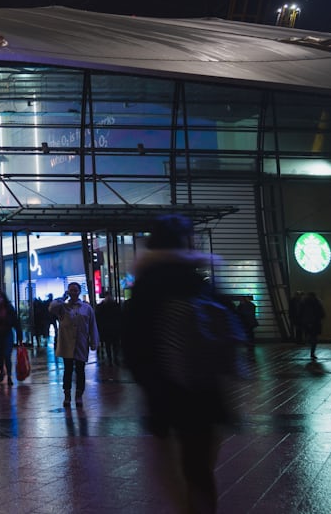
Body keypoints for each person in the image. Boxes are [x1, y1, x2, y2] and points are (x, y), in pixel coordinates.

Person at [125, 213, 244, 514]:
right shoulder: (199, 280)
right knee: (200, 469)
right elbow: (229, 328)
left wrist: (148, 383)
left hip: (164, 392)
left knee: (167, 467)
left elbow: (134, 345)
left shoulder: (145, 285)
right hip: (206, 391)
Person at [50, 282, 99, 408]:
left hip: (81, 343)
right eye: (70, 290)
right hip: (67, 343)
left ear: (79, 291)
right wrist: (63, 297)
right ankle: (67, 395)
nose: (73, 293)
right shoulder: (62, 307)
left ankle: (79, 395)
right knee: (68, 370)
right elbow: (51, 307)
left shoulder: (86, 308)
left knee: (80, 370)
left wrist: (94, 342)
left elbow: (92, 325)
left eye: (75, 290)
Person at [0, 291, 20, 383]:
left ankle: (9, 375)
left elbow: (15, 321)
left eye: (1, 297)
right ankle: (2, 371)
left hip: (7, 332)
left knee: (7, 354)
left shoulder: (9, 308)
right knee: (0, 355)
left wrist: (19, 335)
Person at [96, 296, 123, 366]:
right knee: (115, 345)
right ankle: (115, 358)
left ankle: (110, 359)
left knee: (108, 345)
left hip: (106, 330)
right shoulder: (116, 306)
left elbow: (98, 319)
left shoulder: (101, 307)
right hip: (115, 329)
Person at [298, 291, 326, 360]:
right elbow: (322, 313)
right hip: (315, 322)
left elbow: (299, 313)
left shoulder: (303, 302)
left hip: (306, 322)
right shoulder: (317, 302)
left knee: (309, 334)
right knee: (314, 337)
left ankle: (307, 340)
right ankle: (312, 352)